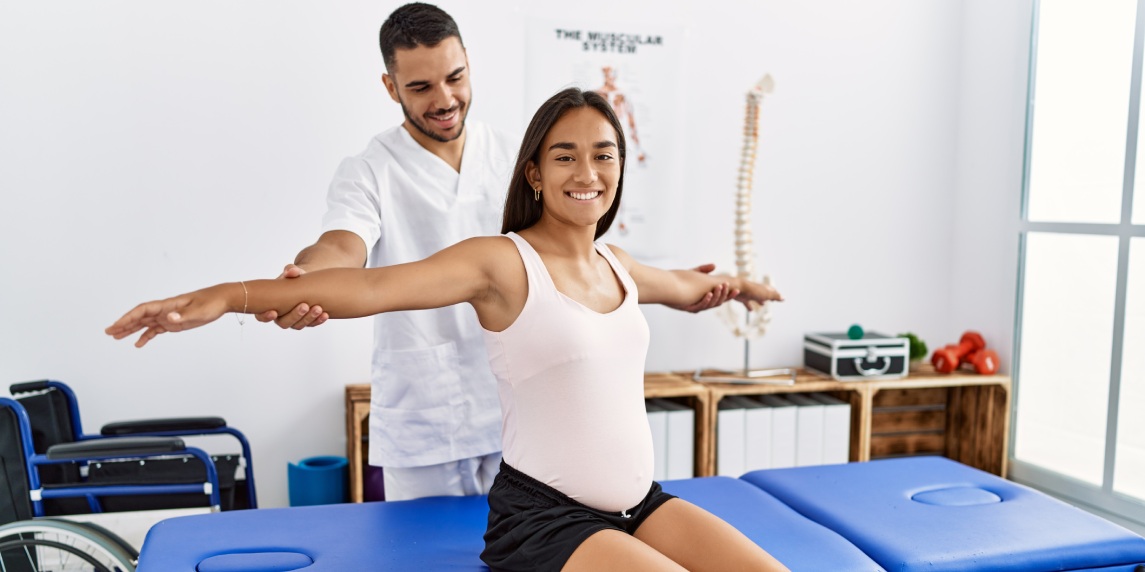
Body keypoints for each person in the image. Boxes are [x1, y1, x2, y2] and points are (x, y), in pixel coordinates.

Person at [107, 88, 787, 571]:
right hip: (548, 521)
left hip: (640, 502)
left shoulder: (618, 265)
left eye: (604, 155)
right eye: (566, 156)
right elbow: (372, 286)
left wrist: (738, 284)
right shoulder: (501, 262)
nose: (588, 172)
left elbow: (686, 287)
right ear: (534, 174)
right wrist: (228, 296)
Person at [253, 2, 737, 501]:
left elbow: (584, 263)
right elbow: (341, 247)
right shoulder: (369, 170)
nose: (444, 99)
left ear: (468, 64)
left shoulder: (518, 156)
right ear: (390, 87)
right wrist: (307, 278)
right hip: (425, 420)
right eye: (420, 87)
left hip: (522, 416)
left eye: (455, 77)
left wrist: (699, 285)